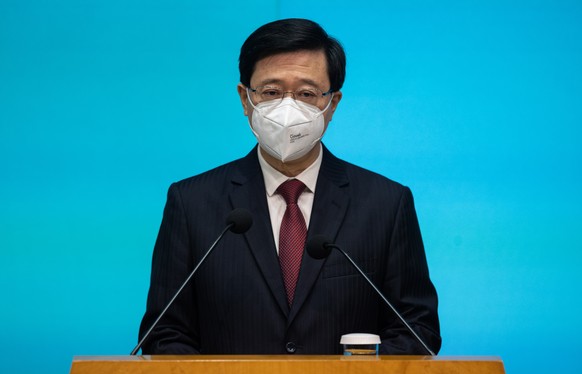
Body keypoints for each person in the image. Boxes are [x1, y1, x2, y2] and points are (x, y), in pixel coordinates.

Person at [138, 18, 441, 355]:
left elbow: (417, 328)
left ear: (332, 104)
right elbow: (165, 333)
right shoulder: (191, 203)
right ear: (245, 99)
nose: (287, 107)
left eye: (306, 94)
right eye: (271, 92)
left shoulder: (386, 203)